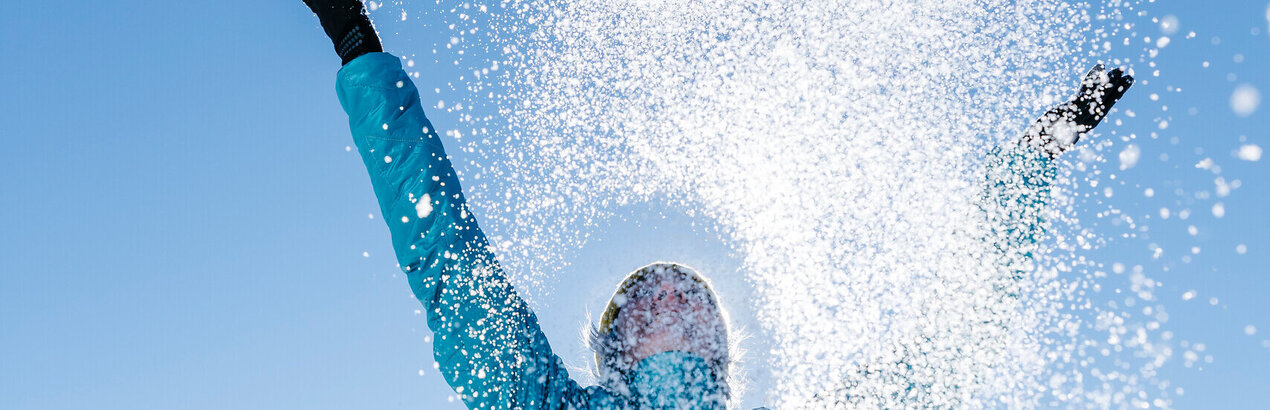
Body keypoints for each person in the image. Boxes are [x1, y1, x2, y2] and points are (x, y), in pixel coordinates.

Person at [301, 1, 1132, 408]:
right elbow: (446, 255)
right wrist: (359, 50)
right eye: (649, 295)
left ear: (722, 342)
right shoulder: (541, 404)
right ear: (612, 347)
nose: (671, 290)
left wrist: (1030, 163)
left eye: (684, 292)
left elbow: (956, 340)